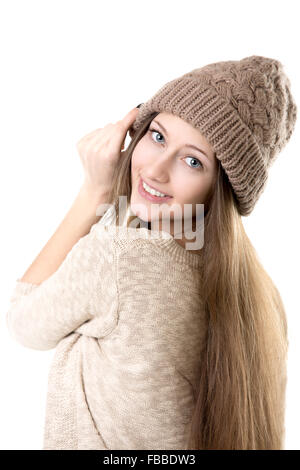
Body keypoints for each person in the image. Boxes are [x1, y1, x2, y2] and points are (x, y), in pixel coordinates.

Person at [6, 55, 297, 450]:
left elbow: (24, 321)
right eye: (158, 136)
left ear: (220, 188)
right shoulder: (264, 300)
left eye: (192, 161)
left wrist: (94, 190)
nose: (156, 170)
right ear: (137, 130)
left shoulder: (120, 257)